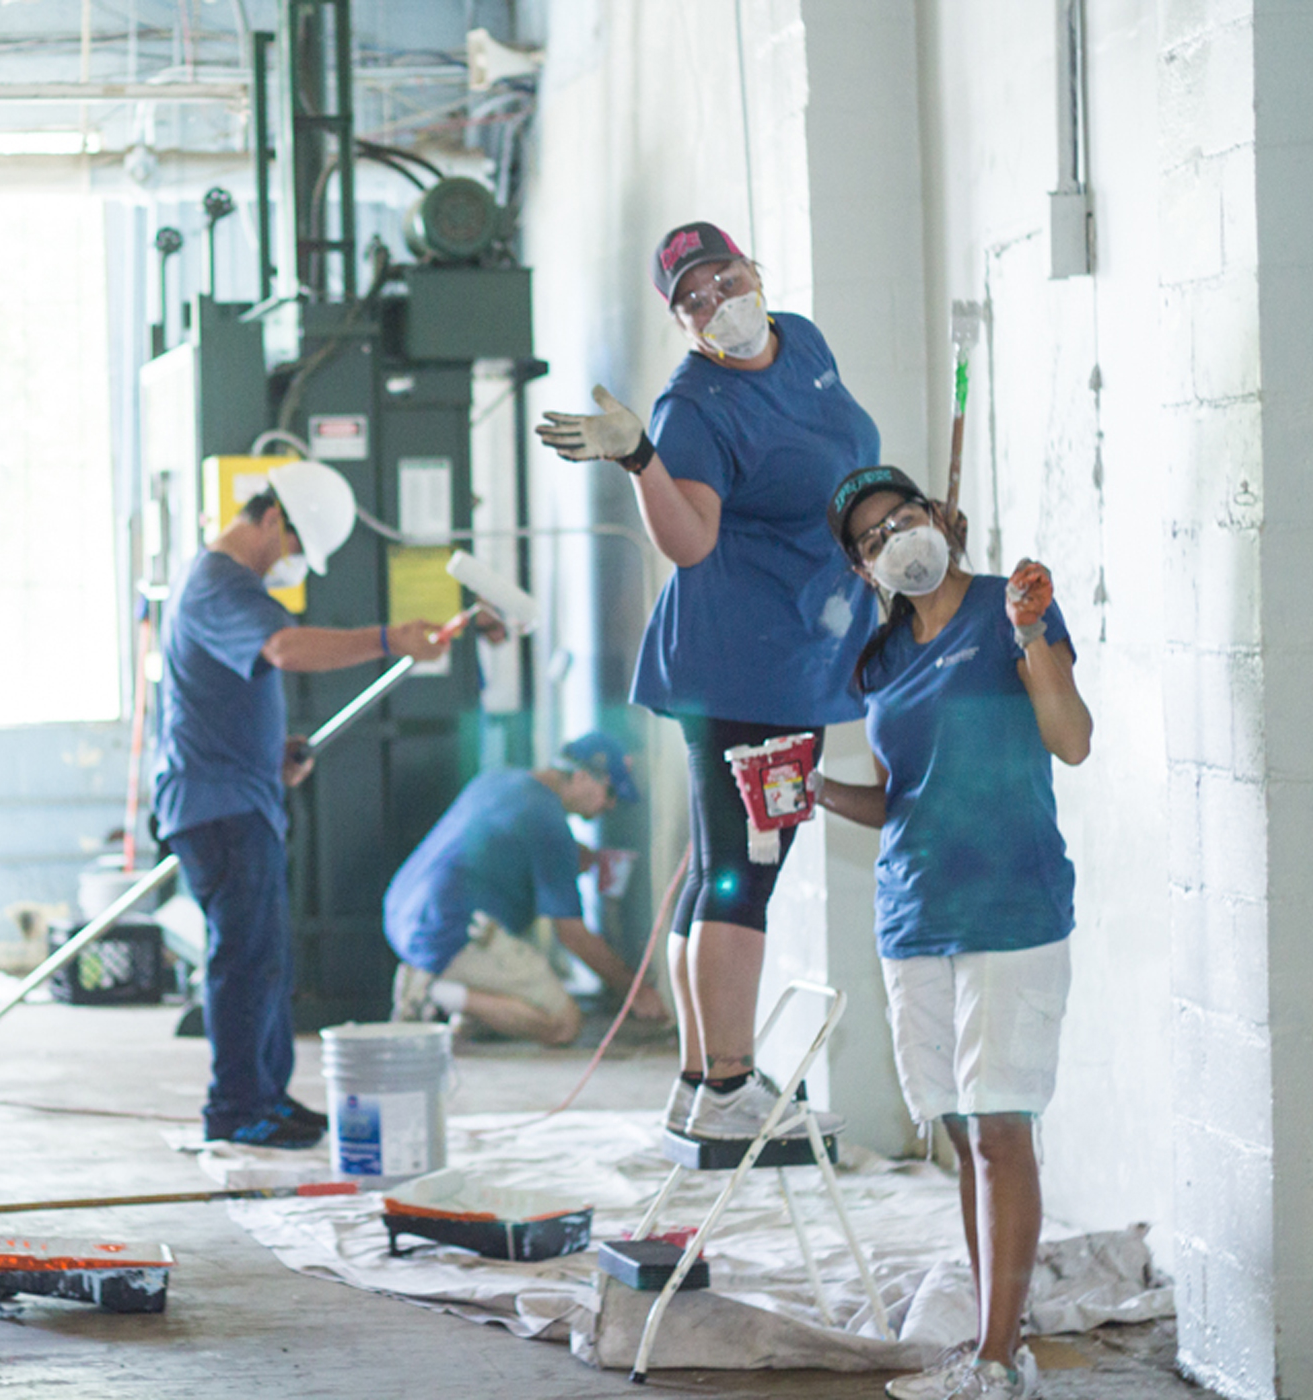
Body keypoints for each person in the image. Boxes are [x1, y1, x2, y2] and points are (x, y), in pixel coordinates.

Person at [536, 220, 877, 1140]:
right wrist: (641, 458)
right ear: (680, 321)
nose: (714, 302)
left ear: (752, 271)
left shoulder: (801, 341)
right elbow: (690, 543)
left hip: (794, 653)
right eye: (691, 298)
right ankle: (730, 1088)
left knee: (720, 865)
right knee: (745, 871)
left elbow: (835, 462)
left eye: (722, 278)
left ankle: (697, 1079)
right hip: (746, 666)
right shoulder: (694, 407)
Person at [814, 466, 1088, 1400]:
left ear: (938, 518)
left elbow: (1072, 737)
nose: (896, 537)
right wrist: (810, 788)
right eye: (874, 535)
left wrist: (1029, 637)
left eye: (906, 516)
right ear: (863, 567)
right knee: (966, 1131)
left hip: (1011, 908)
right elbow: (899, 799)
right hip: (915, 913)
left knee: (1004, 1128)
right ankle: (986, 1344)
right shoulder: (882, 658)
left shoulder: (1011, 604)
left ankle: (1003, 1363)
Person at [153, 459, 449, 1148]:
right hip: (217, 805)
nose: (290, 564)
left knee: (266, 957)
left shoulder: (227, 585)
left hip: (241, 792)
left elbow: (227, 688)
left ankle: (265, 1094)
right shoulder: (220, 582)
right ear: (273, 518)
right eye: (291, 548)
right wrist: (387, 640)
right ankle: (234, 1107)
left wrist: (272, 750)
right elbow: (283, 648)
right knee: (243, 956)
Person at [386, 733, 644, 1045]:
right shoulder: (550, 823)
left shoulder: (500, 779)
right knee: (563, 1025)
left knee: (508, 1007)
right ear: (581, 777)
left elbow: (500, 839)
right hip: (450, 933)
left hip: (403, 914)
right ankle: (433, 992)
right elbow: (573, 935)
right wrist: (637, 991)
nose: (610, 805)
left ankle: (457, 1004)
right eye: (610, 792)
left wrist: (576, 857)